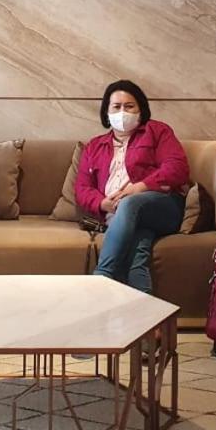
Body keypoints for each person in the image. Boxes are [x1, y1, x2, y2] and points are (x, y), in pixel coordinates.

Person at [75, 79, 189, 293]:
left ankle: (102, 275)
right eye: (116, 107)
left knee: (130, 203)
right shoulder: (94, 146)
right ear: (106, 112)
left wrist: (140, 187)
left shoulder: (157, 131)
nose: (122, 112)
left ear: (141, 109)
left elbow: (177, 168)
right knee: (137, 253)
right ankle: (144, 312)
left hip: (162, 207)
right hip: (117, 214)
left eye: (129, 106)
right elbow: (82, 188)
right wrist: (103, 203)